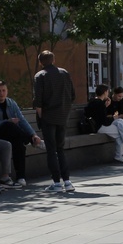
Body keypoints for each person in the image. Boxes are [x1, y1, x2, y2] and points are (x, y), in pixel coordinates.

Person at [0, 80, 44, 187]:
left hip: (12, 134)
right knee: (9, 125)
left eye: (4, 90)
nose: (2, 93)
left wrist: (34, 134)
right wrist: (7, 121)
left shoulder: (11, 103)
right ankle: (31, 141)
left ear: (7, 91)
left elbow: (22, 120)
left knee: (19, 144)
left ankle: (21, 178)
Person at [33, 50, 77, 193]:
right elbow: (72, 95)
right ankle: (68, 181)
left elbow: (38, 101)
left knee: (51, 150)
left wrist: (41, 116)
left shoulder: (40, 76)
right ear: (54, 59)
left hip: (48, 117)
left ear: (40, 62)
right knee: (60, 149)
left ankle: (56, 183)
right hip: (62, 117)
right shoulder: (64, 73)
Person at [86, 84, 123, 163]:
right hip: (99, 127)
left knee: (120, 121)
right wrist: (114, 117)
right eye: (107, 91)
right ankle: (121, 153)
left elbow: (97, 115)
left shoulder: (93, 101)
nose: (108, 93)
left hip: (97, 125)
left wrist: (106, 107)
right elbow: (104, 121)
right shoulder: (99, 103)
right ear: (104, 92)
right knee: (121, 131)